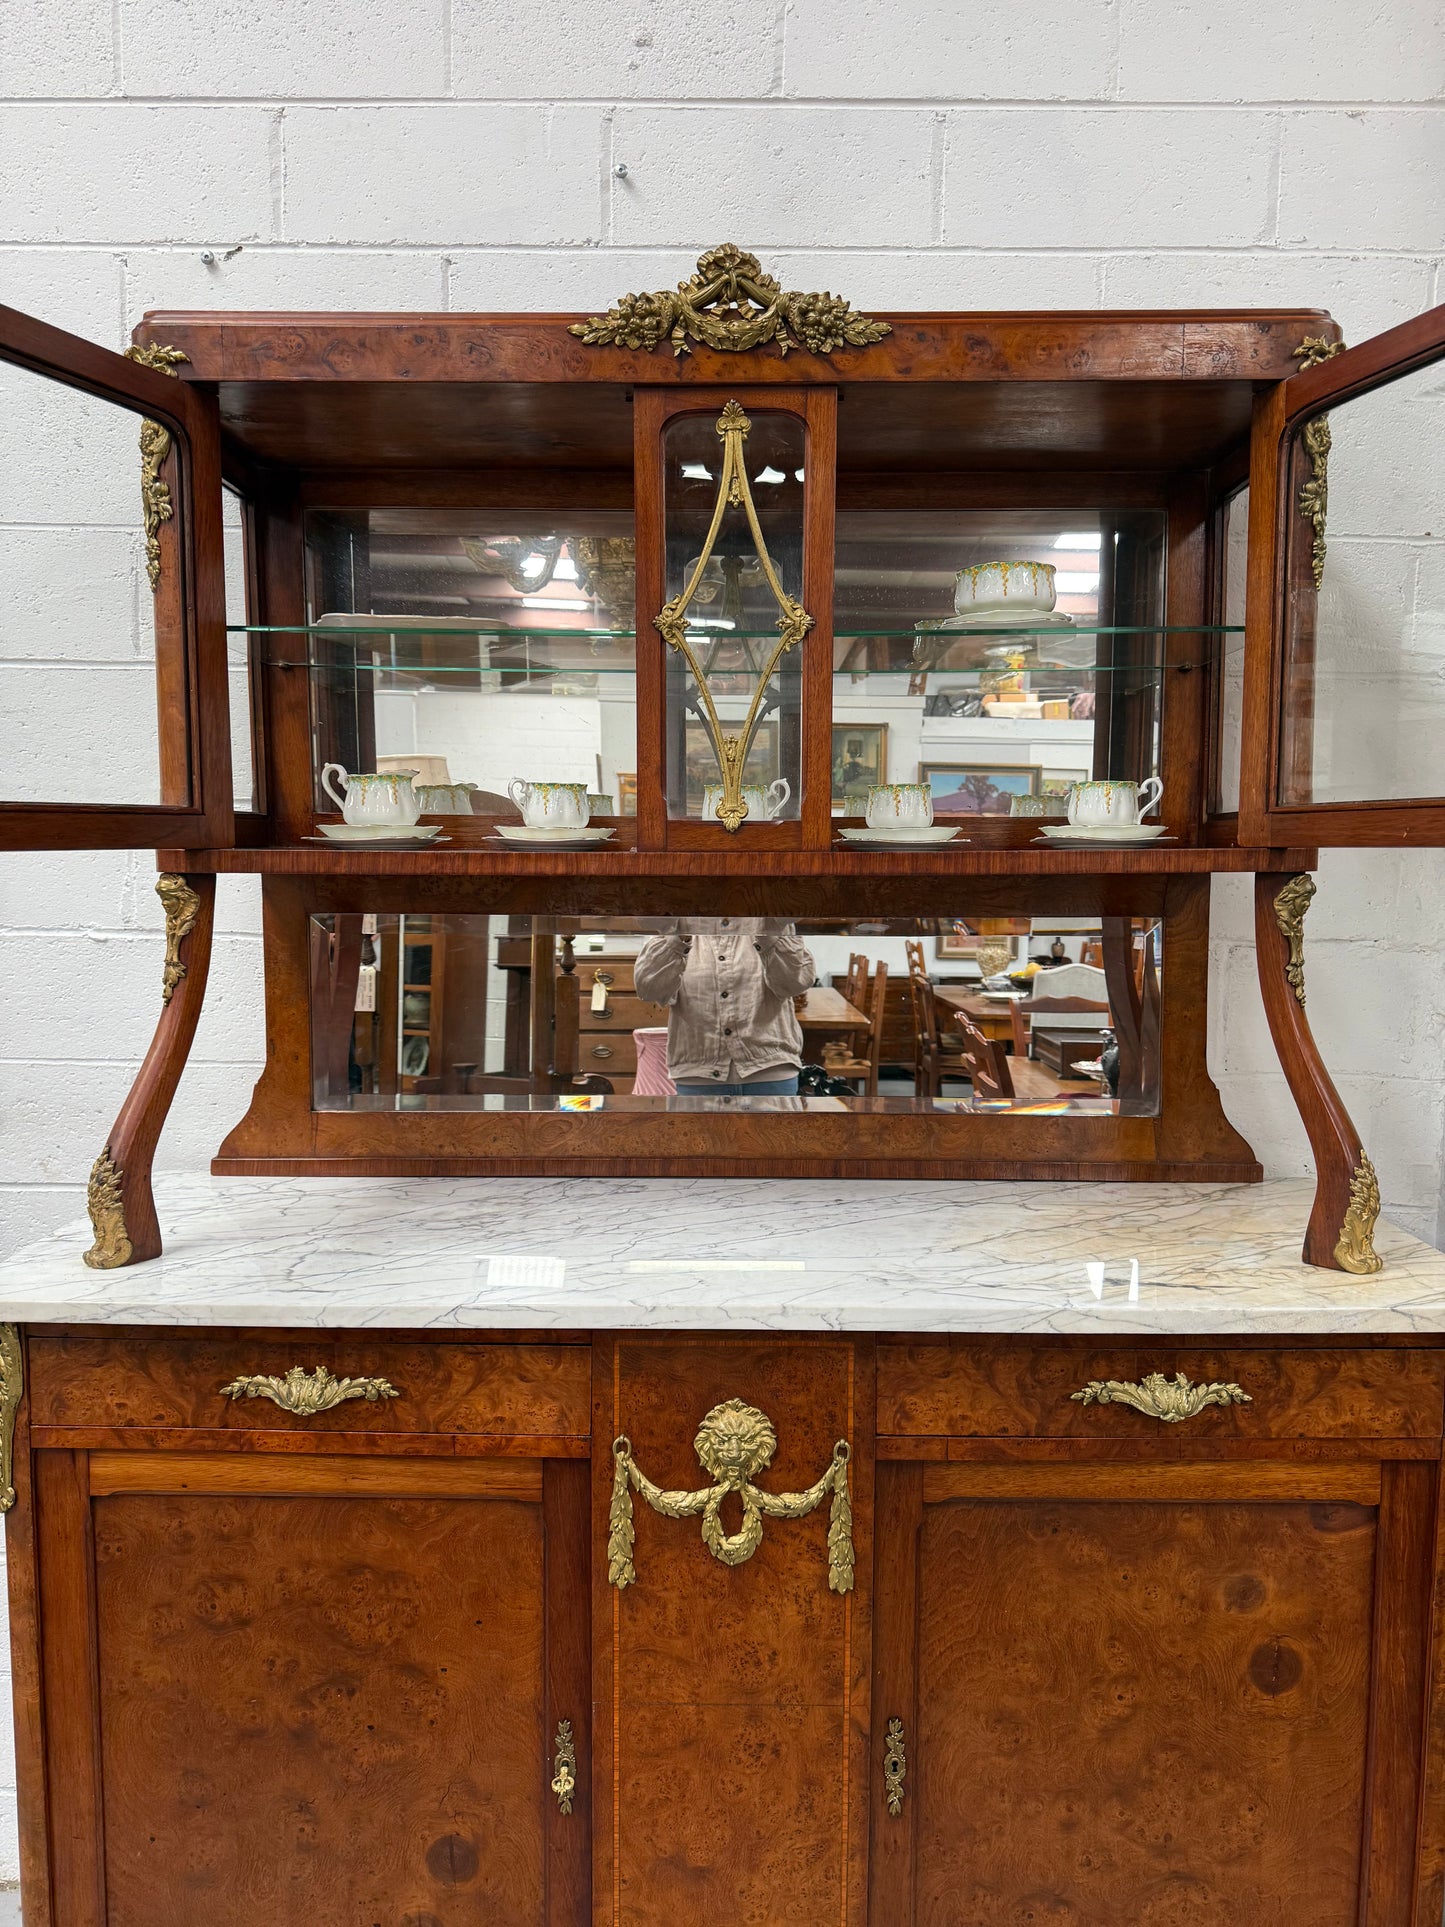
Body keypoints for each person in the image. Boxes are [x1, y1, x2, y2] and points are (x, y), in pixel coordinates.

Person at [634, 918, 815, 1096]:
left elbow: (795, 984)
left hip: (771, 1075)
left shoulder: (770, 920)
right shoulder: (677, 924)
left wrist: (770, 930)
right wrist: (677, 935)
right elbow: (649, 990)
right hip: (698, 1078)